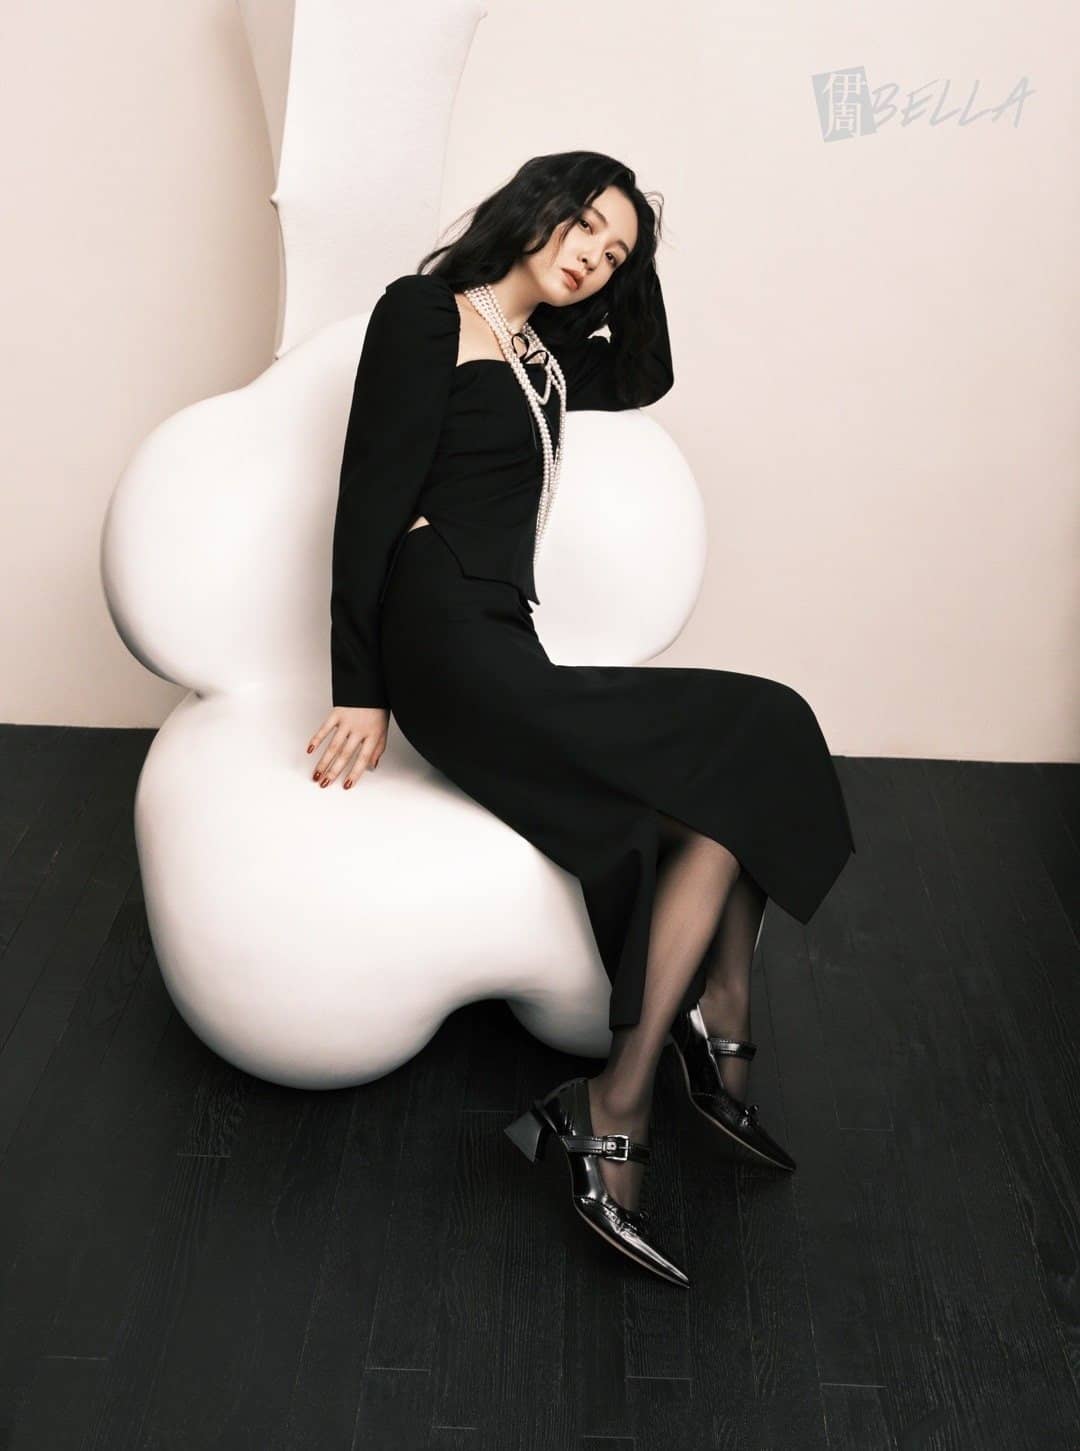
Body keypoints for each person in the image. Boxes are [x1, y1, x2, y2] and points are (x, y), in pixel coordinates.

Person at [306, 151, 856, 1288]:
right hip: (441, 640)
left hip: (505, 642)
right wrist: (360, 684)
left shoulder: (543, 357)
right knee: (757, 731)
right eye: (583, 228)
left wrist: (638, 252)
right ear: (535, 206)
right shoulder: (426, 314)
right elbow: (367, 496)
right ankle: (700, 1042)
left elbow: (646, 369)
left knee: (729, 788)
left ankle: (623, 1092)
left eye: (611, 255)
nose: (592, 258)